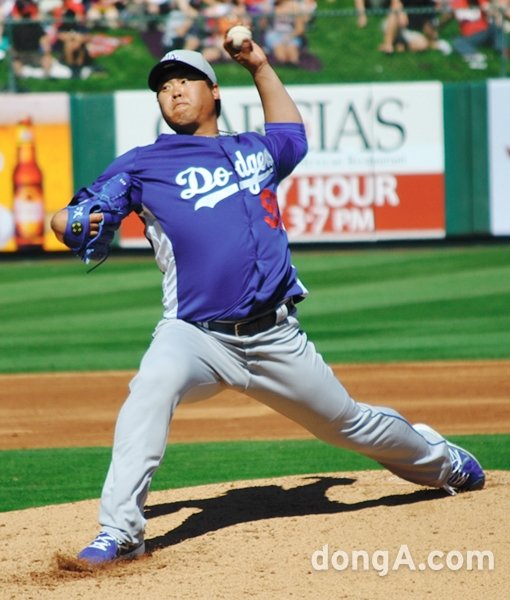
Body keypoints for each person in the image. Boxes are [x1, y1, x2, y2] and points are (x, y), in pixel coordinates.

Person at [50, 33, 485, 565]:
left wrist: (258, 65)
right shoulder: (143, 164)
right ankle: (120, 531)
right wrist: (68, 221)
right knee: (150, 388)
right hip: (195, 336)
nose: (174, 91)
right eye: (163, 87)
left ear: (214, 91)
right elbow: (76, 214)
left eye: (185, 80)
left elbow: (291, 135)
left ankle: (443, 462)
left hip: (275, 336)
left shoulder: (254, 150)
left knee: (348, 423)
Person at [379, 0, 452, 55]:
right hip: (393, 25)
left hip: (409, 30)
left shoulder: (428, 5)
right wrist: (401, 12)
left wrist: (432, 33)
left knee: (422, 45)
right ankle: (388, 45)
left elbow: (428, 26)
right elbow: (395, 3)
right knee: (394, 13)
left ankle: (402, 45)